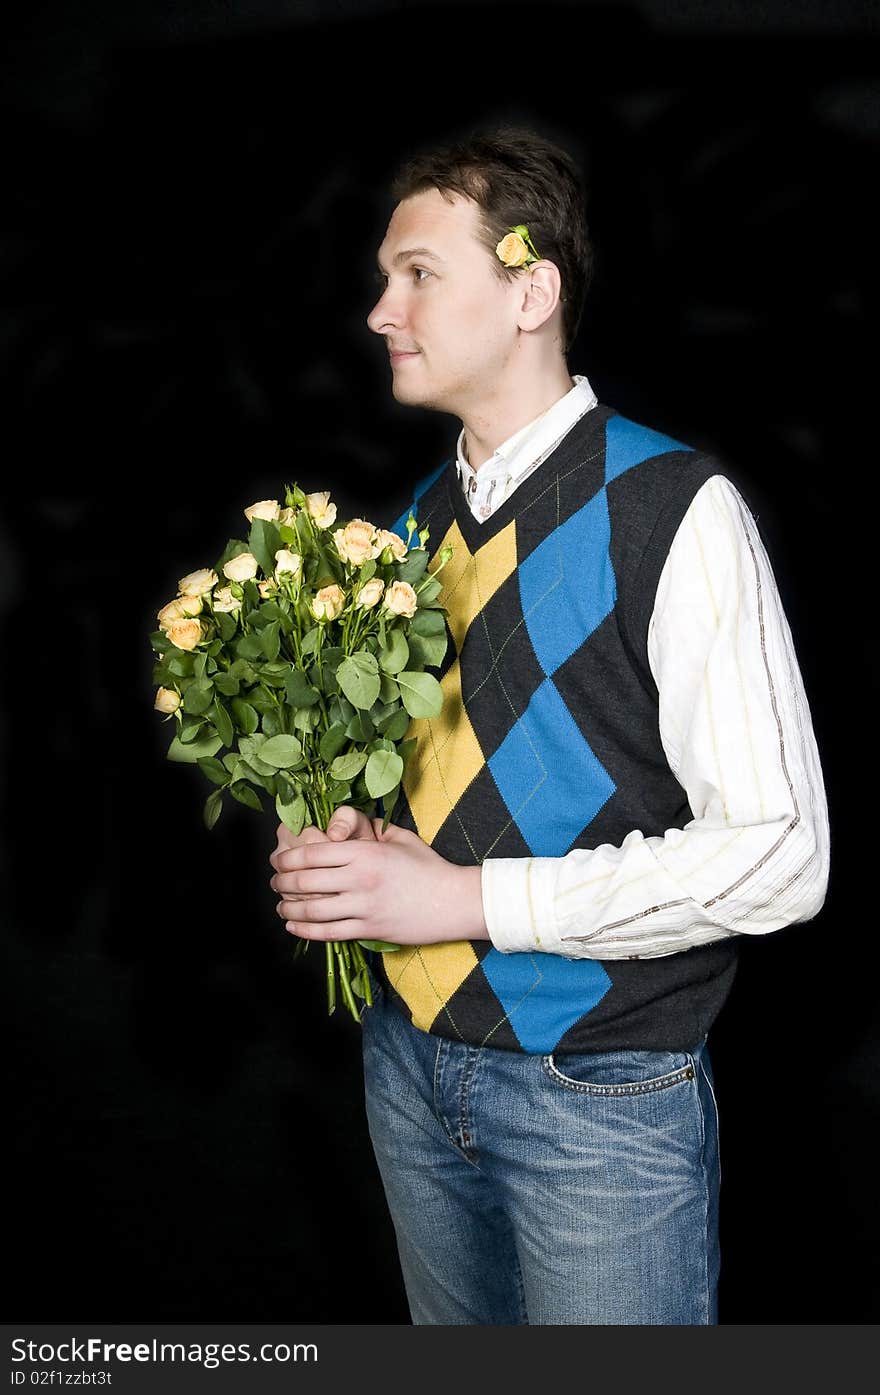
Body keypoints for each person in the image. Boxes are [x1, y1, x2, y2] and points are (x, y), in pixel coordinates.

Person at [268, 125, 830, 1325]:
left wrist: (464, 901)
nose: (380, 309)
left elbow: (783, 859)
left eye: (418, 271)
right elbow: (457, 782)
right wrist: (350, 847)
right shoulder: (408, 533)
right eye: (383, 278)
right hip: (408, 1070)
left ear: (531, 291)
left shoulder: (674, 510)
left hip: (600, 1095)